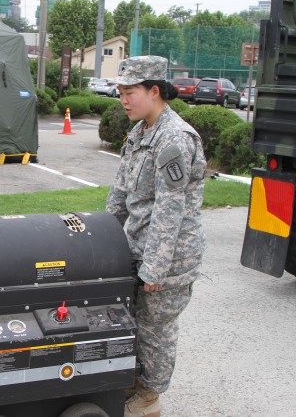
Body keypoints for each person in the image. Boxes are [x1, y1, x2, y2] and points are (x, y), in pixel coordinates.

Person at [106, 56, 207, 417]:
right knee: (133, 322)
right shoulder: (141, 132)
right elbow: (120, 195)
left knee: (155, 329)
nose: (124, 100)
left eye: (130, 92)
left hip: (169, 256)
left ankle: (150, 398)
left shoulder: (173, 139)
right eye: (120, 93)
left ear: (154, 91)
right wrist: (100, 237)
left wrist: (156, 268)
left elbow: (170, 209)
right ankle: (137, 382)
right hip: (138, 247)